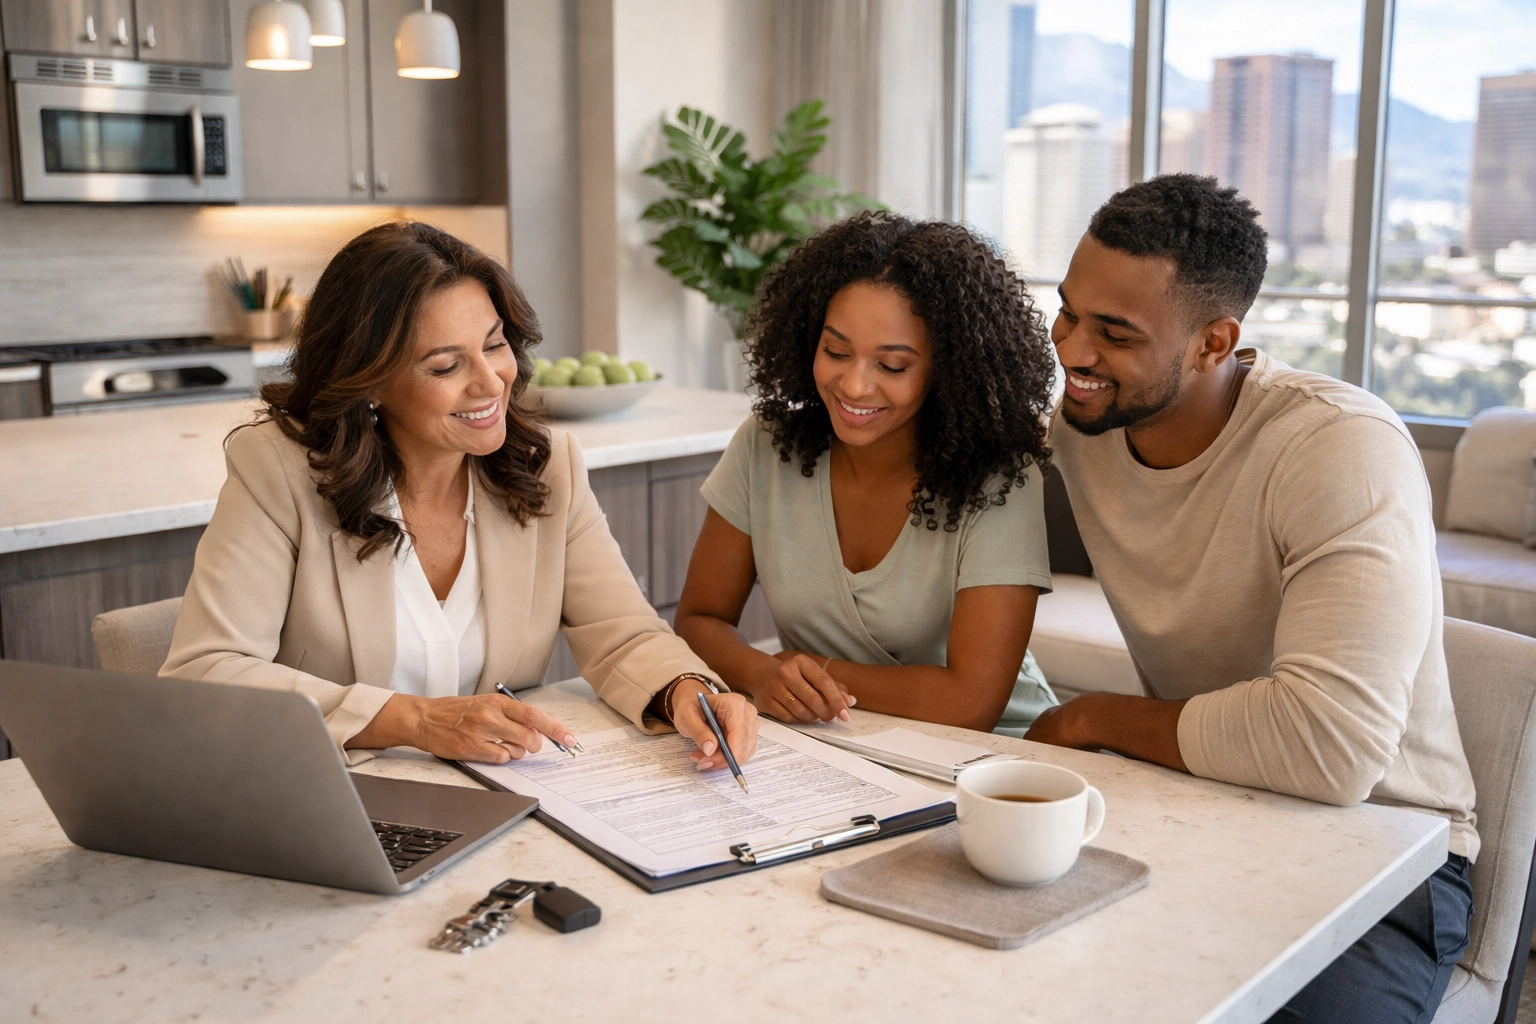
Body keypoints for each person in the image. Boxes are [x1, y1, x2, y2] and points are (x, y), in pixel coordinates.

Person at [1027, 174, 1477, 1023]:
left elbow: (1329, 750)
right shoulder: (1087, 424)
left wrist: (1091, 719)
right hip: (1194, 805)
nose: (1073, 352)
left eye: (1114, 333)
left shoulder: (1338, 449)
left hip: (1384, 845)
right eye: (1068, 312)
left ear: (1213, 342)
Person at [162, 221, 758, 771]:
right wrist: (415, 720)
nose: (490, 381)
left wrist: (688, 690)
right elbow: (203, 674)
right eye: (446, 366)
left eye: (495, 345)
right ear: (369, 380)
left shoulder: (546, 467)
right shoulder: (279, 472)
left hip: (502, 800)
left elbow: (622, 632)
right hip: (334, 803)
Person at [675, 212, 1059, 736]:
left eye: (893, 365)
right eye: (835, 351)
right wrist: (760, 672)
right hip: (837, 740)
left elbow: (970, 703)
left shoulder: (997, 478)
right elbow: (699, 620)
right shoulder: (766, 446)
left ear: (947, 368)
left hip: (993, 752)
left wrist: (810, 670)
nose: (854, 386)